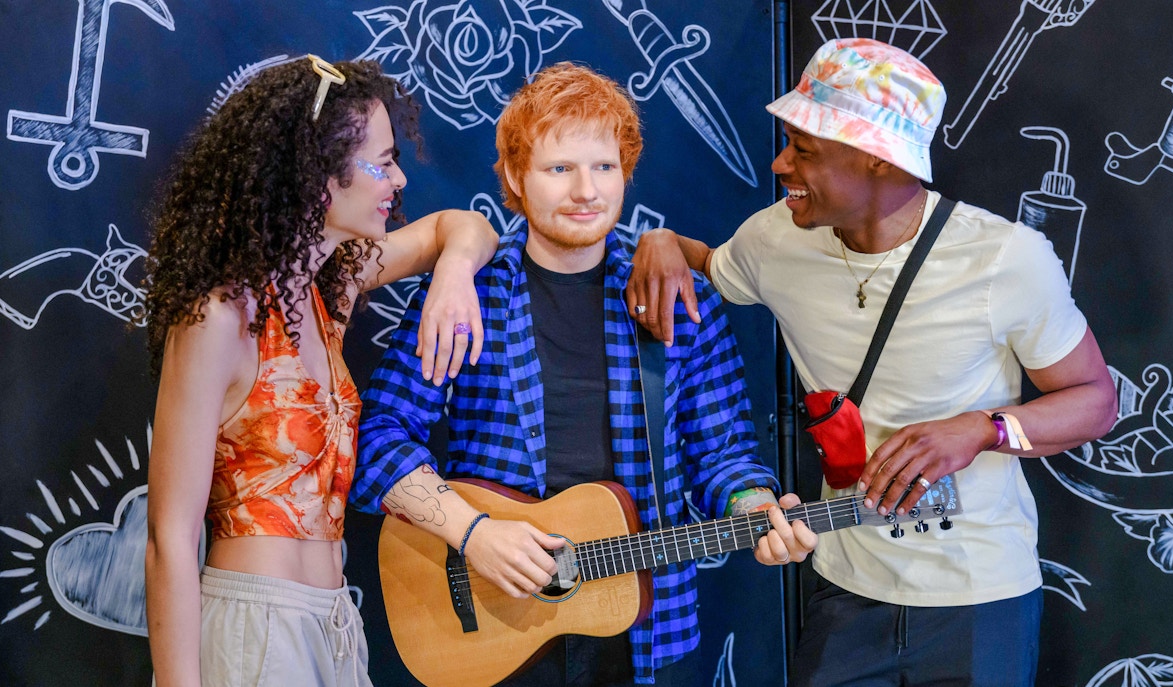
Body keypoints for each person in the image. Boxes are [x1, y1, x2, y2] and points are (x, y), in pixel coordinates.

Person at [627, 38, 1117, 686]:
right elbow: (707, 264)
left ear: (876, 159)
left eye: (804, 150)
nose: (779, 164)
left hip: (979, 597)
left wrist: (980, 429)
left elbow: (1096, 399)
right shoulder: (774, 238)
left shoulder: (1007, 259)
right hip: (843, 590)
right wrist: (661, 242)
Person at [349, 62, 818, 686]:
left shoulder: (677, 298)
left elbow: (723, 451)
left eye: (603, 167)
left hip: (637, 628)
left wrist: (755, 504)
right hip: (488, 621)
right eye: (559, 168)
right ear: (517, 175)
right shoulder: (468, 296)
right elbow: (375, 439)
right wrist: (475, 535)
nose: (585, 191)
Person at [143, 56, 500, 687]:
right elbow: (170, 538)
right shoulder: (220, 317)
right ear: (317, 175)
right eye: (383, 161)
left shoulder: (327, 289)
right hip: (256, 627)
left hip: (335, 621)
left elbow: (465, 228)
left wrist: (451, 276)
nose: (396, 180)